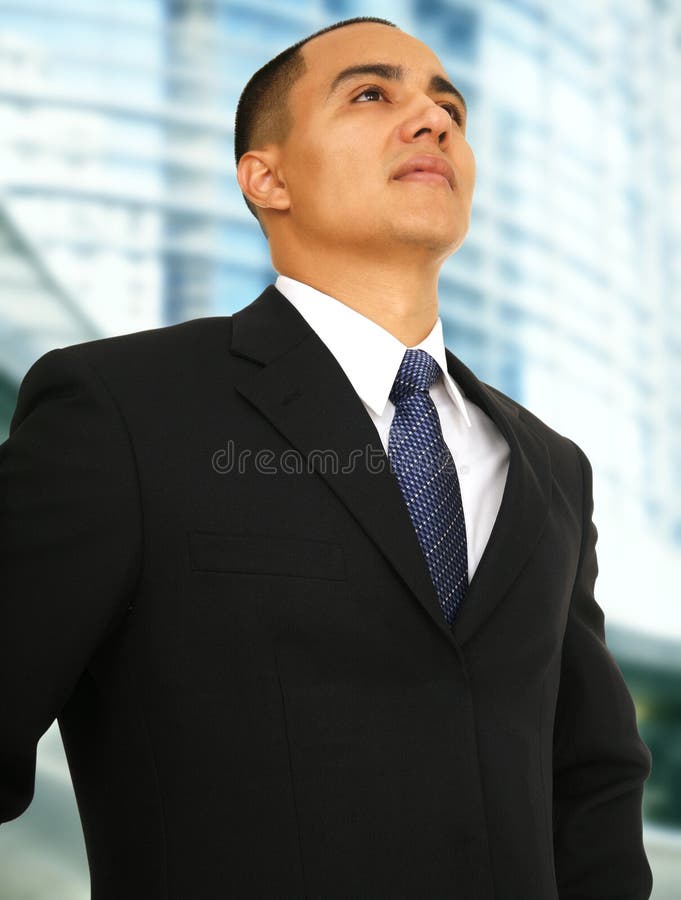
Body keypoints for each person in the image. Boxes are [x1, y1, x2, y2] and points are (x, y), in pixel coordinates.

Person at [0, 15, 652, 900]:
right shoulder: (122, 409)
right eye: (373, 95)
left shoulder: (549, 468)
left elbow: (590, 780)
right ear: (265, 178)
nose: (433, 122)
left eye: (448, 107)